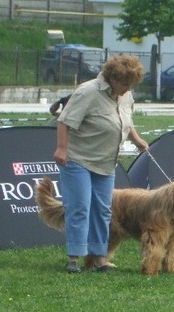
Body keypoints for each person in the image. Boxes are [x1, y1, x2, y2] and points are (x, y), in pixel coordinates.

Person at [54, 54, 148, 274]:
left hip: (106, 163)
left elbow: (125, 120)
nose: (127, 88)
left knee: (103, 211)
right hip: (79, 159)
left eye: (131, 84)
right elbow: (64, 121)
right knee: (79, 207)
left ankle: (100, 258)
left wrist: (136, 139)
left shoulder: (125, 95)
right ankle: (74, 258)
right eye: (125, 83)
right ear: (112, 78)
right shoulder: (88, 92)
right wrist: (62, 148)